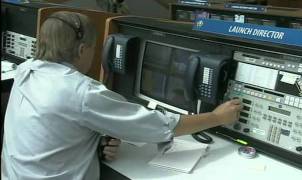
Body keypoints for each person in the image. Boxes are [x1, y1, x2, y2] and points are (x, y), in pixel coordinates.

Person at [1, 11, 242, 180]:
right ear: (83, 49)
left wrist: (95, 141)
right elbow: (159, 125)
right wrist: (218, 117)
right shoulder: (80, 92)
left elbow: (52, 127)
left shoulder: (26, 70)